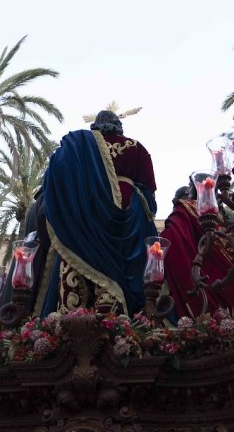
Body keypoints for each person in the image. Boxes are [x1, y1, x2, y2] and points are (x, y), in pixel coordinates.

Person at [18, 106, 159, 316]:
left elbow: (58, 177)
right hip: (128, 219)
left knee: (75, 256)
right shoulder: (137, 147)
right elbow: (149, 193)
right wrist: (135, 203)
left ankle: (69, 315)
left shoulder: (79, 146)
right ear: (118, 125)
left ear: (95, 125)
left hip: (84, 216)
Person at [161, 174, 234, 317]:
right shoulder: (233, 216)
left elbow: (167, 248)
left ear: (192, 189)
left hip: (197, 297)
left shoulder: (180, 216)